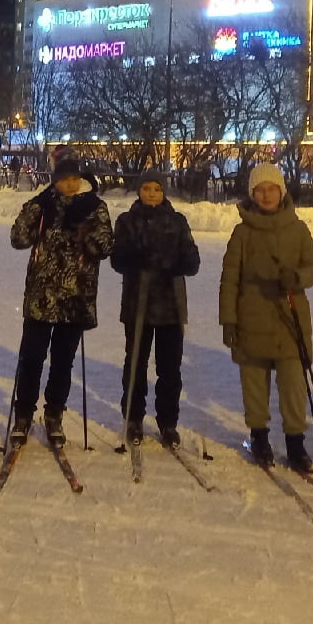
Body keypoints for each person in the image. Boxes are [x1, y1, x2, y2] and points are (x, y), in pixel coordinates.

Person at [219, 163, 313, 472]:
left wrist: (297, 277)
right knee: (254, 382)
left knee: (292, 383)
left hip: (290, 319)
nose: (266, 195)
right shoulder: (242, 232)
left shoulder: (298, 228)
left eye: (271, 189)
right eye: (259, 190)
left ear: (281, 192)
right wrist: (229, 320)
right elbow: (229, 279)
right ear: (252, 195)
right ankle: (259, 436)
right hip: (251, 317)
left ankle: (295, 441)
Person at [7, 158, 113, 447]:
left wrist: (86, 226)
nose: (69, 184)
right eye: (63, 179)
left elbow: (104, 247)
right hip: (42, 297)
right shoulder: (43, 205)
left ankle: (54, 414)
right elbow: (18, 238)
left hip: (75, 298)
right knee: (31, 358)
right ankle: (24, 415)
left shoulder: (95, 207)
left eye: (74, 178)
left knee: (62, 362)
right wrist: (34, 208)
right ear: (54, 180)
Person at [109, 171, 201, 447]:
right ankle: (134, 417)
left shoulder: (177, 221)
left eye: (157, 189)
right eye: (146, 188)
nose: (151, 193)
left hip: (170, 305)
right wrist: (134, 259)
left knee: (170, 368)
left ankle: (168, 422)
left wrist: (178, 262)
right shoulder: (127, 221)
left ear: (164, 192)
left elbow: (192, 260)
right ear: (139, 191)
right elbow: (117, 259)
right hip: (139, 303)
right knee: (136, 363)